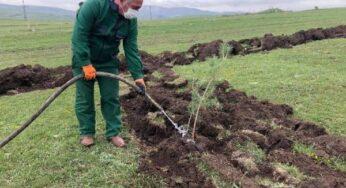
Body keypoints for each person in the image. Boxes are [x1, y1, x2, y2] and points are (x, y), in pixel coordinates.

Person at [71, 0, 145, 147]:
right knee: (85, 98)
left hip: (108, 61)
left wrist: (138, 77)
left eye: (138, 8)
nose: (135, 12)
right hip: (84, 60)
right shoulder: (94, 6)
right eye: (134, 7)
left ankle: (114, 133)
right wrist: (86, 63)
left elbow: (131, 48)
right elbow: (79, 36)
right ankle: (87, 133)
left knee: (111, 97)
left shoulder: (130, 21)